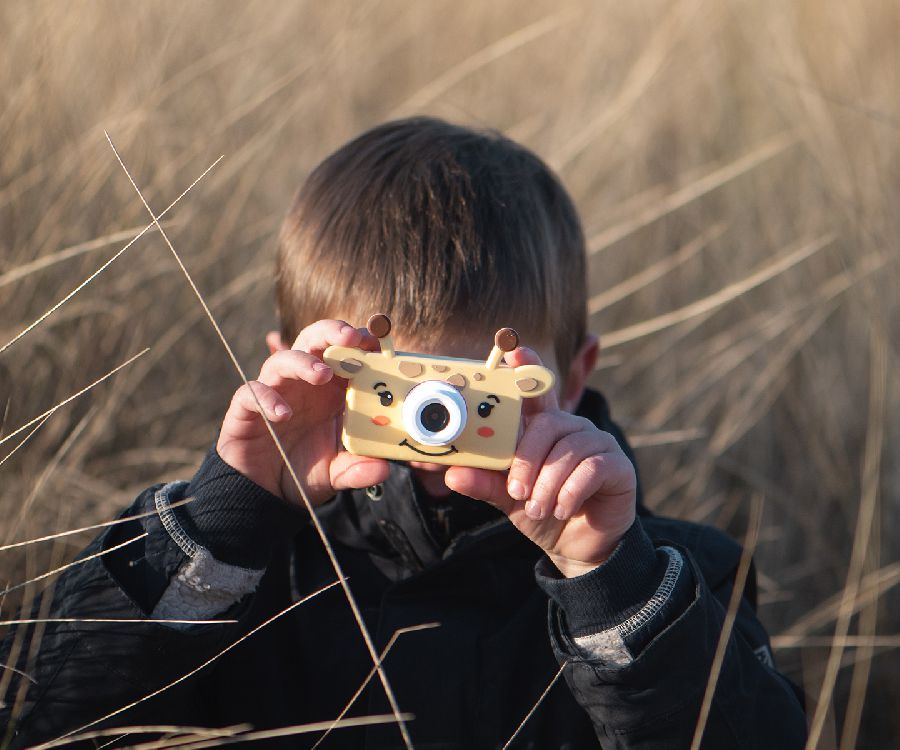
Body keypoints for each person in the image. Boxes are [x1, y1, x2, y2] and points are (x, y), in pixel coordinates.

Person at [1, 118, 806, 748]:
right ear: (297, 370)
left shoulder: (671, 581)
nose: (435, 430)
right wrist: (224, 519)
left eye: (479, 395)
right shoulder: (242, 575)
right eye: (384, 389)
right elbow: (54, 724)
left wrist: (612, 586)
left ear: (575, 373)